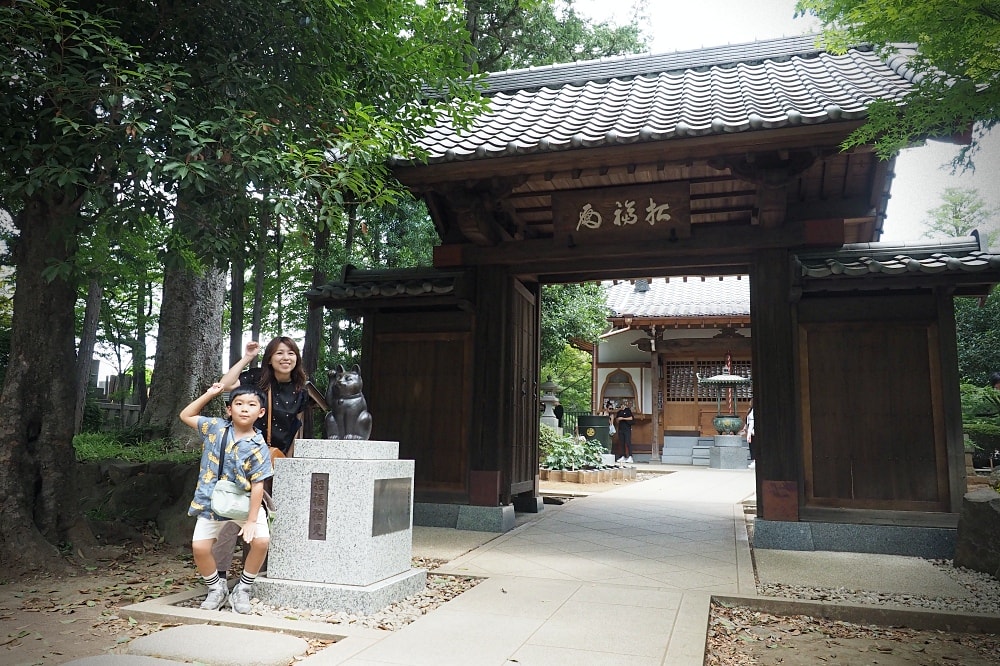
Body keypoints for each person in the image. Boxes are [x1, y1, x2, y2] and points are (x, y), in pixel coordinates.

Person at [212, 337, 309, 580]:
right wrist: (247, 357)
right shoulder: (256, 379)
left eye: (291, 353)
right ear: (270, 358)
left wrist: (287, 463)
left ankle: (254, 572)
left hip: (275, 462)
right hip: (243, 457)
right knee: (232, 514)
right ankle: (218, 576)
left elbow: (296, 428)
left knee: (263, 517)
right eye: (279, 353)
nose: (285, 358)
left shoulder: (301, 390)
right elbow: (225, 385)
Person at [180, 383, 273, 613]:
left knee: (261, 541)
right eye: (238, 404)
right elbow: (186, 415)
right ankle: (216, 589)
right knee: (200, 547)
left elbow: (258, 484)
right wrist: (211, 394)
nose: (244, 409)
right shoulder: (216, 428)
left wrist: (251, 521)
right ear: (229, 409)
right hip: (211, 501)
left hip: (244, 503)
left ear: (261, 412)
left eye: (251, 405)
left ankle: (243, 588)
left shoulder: (259, 445)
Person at [742, 403, 755, 469]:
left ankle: (755, 460)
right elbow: (747, 421)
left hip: (753, 430)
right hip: (749, 429)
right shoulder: (750, 410)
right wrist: (745, 428)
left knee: (754, 446)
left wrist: (750, 431)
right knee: (751, 446)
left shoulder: (754, 411)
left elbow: (752, 422)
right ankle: (753, 460)